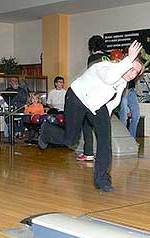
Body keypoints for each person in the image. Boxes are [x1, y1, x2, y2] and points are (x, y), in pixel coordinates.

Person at [39, 40, 143, 192]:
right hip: (77, 97)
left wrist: (104, 122)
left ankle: (102, 180)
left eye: (136, 73)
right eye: (131, 68)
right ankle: (47, 131)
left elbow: (112, 103)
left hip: (96, 105)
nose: (132, 74)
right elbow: (109, 78)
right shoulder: (106, 66)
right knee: (71, 140)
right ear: (124, 62)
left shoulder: (122, 84)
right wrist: (128, 59)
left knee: (104, 139)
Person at [76, 35, 111, 162]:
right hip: (106, 97)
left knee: (86, 123)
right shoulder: (108, 58)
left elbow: (92, 78)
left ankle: (88, 152)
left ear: (91, 47)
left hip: (94, 97)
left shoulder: (93, 58)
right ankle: (104, 156)